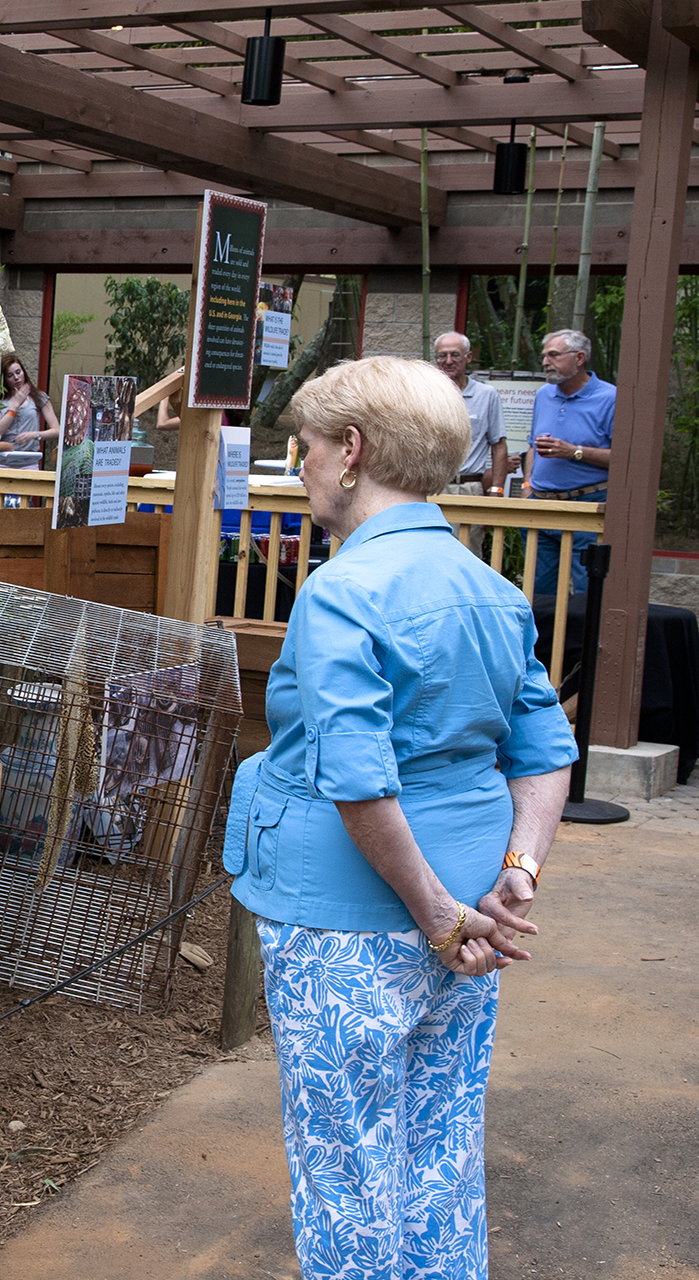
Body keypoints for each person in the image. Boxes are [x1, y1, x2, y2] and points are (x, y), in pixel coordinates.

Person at [224, 356, 576, 1280]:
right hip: (472, 912)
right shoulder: (495, 592)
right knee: (441, 1146)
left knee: (344, 1167)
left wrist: (434, 913)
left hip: (352, 920)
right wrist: (518, 872)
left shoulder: (343, 591)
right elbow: (545, 752)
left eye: (302, 446)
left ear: (352, 451)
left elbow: (357, 781)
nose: (296, 465)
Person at [524, 328, 614, 594]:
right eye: (544, 356)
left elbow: (624, 461)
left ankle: (582, 637)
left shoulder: (610, 398)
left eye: (553, 355)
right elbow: (532, 445)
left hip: (587, 506)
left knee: (589, 590)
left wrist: (574, 452)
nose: (545, 362)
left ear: (580, 358)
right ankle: (545, 638)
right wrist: (528, 486)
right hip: (540, 504)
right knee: (538, 593)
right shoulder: (543, 394)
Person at [432, 331, 508, 497]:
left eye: (455, 355)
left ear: (469, 357)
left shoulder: (486, 395)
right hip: (432, 487)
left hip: (469, 487)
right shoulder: (427, 394)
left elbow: (499, 446)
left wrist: (497, 489)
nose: (449, 361)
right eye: (442, 356)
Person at [0, 353, 59, 470]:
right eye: (10, 375)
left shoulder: (38, 397)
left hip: (29, 462)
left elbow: (57, 430)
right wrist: (15, 405)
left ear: (24, 372)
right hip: (3, 462)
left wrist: (34, 435)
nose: (16, 377)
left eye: (18, 372)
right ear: (4, 379)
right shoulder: (0, 400)